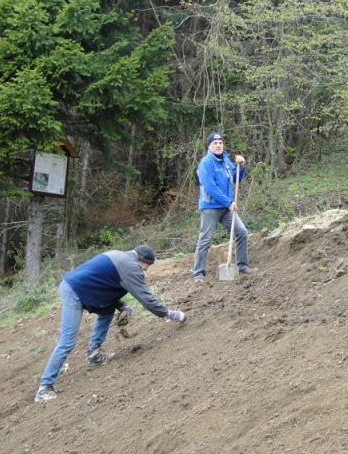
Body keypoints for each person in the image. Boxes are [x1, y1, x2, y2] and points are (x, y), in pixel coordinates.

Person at [34, 245, 186, 403]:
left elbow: (103, 285)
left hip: (78, 286)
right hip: (74, 291)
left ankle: (94, 354)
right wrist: (169, 314)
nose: (146, 270)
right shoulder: (131, 267)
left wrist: (122, 306)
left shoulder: (119, 256)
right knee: (67, 340)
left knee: (107, 311)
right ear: (142, 261)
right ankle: (44, 388)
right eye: (148, 265)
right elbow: (146, 299)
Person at [192, 131, 255, 281]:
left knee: (242, 232)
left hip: (227, 207)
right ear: (209, 146)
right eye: (215, 143)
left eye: (220, 143)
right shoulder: (206, 163)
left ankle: (242, 266)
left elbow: (236, 178)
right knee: (205, 239)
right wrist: (228, 202)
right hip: (210, 207)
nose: (218, 145)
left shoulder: (226, 161)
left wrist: (242, 166)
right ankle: (198, 273)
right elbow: (210, 187)